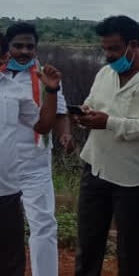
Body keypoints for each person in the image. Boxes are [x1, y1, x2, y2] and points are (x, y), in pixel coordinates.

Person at [73, 15, 139, 276]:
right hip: (95, 170)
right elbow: (92, 103)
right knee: (87, 247)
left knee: (131, 253)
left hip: (133, 180)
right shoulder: (105, 73)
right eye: (104, 48)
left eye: (114, 49)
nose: (108, 55)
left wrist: (109, 123)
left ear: (134, 44)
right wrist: (85, 115)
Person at [1, 22, 72, 276]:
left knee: (43, 224)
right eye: (18, 45)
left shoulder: (44, 76)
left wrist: (65, 134)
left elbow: (56, 115)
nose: (24, 51)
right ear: (7, 48)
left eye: (30, 46)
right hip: (3, 167)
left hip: (34, 162)